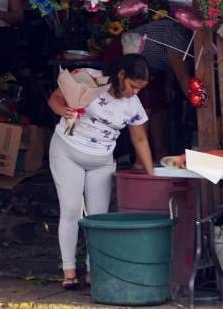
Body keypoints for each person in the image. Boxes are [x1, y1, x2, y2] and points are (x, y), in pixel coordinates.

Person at [46, 54, 155, 290]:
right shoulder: (89, 78)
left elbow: (140, 140)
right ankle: (69, 271)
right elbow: (53, 99)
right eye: (133, 86)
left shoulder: (134, 105)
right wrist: (62, 111)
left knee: (98, 217)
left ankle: (94, 271)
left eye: (141, 88)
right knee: (71, 210)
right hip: (67, 150)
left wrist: (152, 175)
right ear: (121, 75)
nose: (135, 92)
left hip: (103, 161)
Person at [107, 18, 193, 160]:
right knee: (143, 105)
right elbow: (183, 76)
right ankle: (141, 161)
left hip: (152, 70)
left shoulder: (189, 39)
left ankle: (161, 157)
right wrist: (197, 103)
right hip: (128, 57)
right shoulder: (178, 34)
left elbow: (172, 63)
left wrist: (168, 83)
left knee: (161, 103)